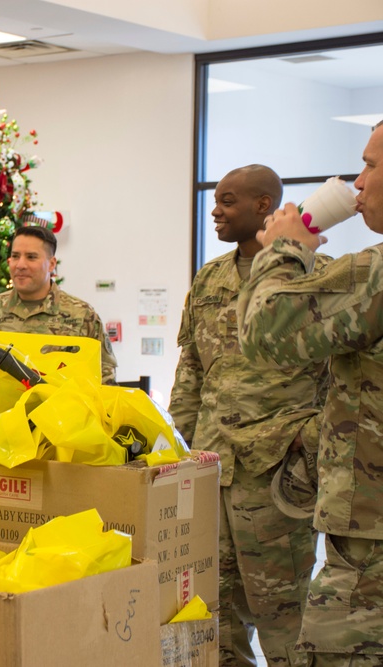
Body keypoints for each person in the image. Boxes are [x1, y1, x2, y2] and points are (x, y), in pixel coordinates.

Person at [170, 164, 328, 666]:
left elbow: (340, 375)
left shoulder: (312, 277)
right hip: (211, 469)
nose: (215, 210)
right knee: (213, 611)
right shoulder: (210, 277)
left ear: (264, 205)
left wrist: (309, 440)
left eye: (228, 200)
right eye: (216, 199)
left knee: (283, 614)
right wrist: (184, 441)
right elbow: (191, 366)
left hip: (277, 476)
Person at [238, 124, 383, 666]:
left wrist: (285, 249)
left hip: (371, 549)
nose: (359, 182)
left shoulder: (375, 278)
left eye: (370, 166)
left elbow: (264, 331)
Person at [0, 222, 117, 421]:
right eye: (15, 256)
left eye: (31, 257)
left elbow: (105, 377)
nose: (20, 264)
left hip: (62, 431)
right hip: (2, 433)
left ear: (51, 264)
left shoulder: (81, 315)